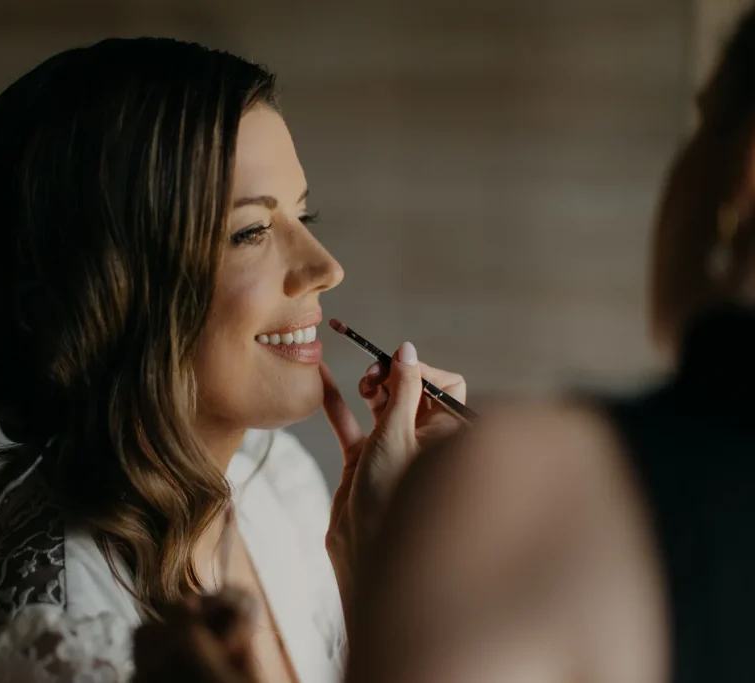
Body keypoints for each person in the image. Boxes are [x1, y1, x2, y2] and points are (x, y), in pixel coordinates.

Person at [123, 8, 755, 683]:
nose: (329, 267)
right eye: (253, 230)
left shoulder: (522, 490)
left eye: (701, 119)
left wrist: (393, 561)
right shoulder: (73, 598)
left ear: (743, 166)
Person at [0, 37, 467, 683]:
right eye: (251, 232)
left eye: (302, 213)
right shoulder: (58, 644)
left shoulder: (278, 483)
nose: (326, 267)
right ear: (116, 294)